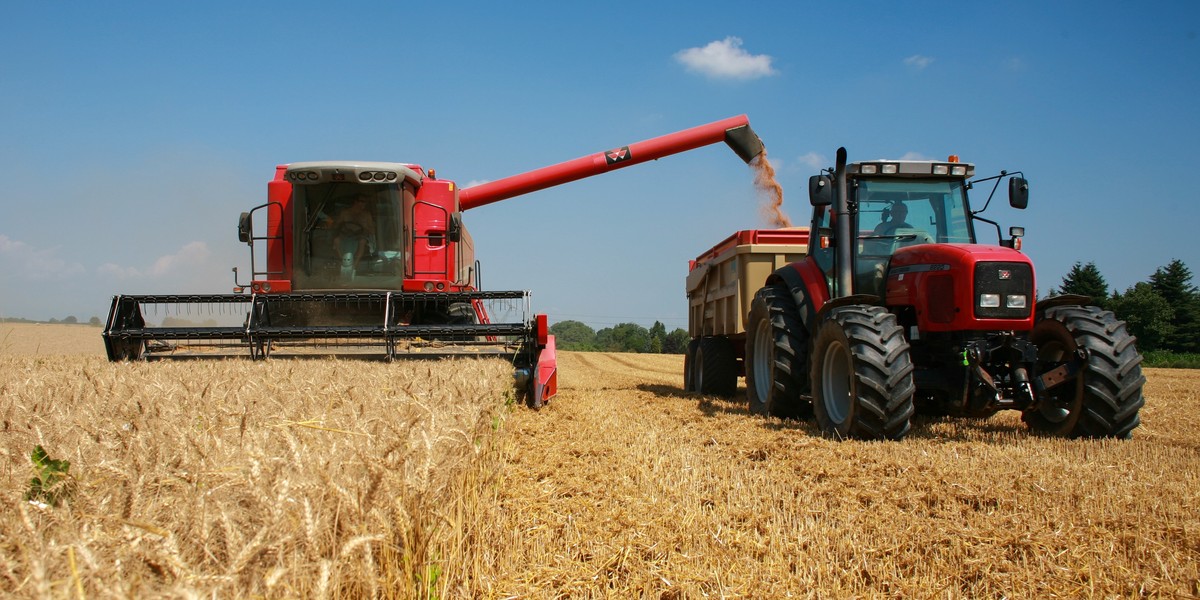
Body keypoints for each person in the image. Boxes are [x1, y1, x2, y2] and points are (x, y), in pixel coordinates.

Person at [332, 195, 376, 274]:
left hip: (360, 236)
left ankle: (354, 266)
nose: (364, 204)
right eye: (362, 201)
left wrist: (365, 227)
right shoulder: (345, 213)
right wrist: (342, 227)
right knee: (336, 240)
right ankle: (343, 262)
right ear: (355, 202)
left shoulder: (367, 215)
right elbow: (336, 225)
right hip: (346, 235)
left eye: (365, 202)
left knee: (362, 242)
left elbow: (373, 231)